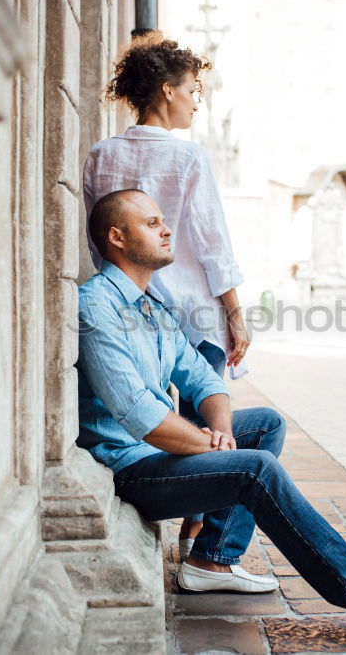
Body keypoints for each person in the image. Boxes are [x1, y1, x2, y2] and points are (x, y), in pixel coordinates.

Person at [76, 189, 346, 653]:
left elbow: (207, 383)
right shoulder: (97, 306)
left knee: (264, 424)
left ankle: (213, 560)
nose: (166, 229)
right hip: (131, 466)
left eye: (163, 220)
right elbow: (142, 417)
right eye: (151, 223)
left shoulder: (151, 307)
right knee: (255, 468)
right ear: (117, 237)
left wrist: (220, 432)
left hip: (160, 451)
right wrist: (216, 448)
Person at [82, 35, 248, 557]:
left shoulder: (100, 155)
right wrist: (236, 315)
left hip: (133, 301)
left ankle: (197, 544)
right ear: (165, 90)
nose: (197, 101)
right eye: (192, 89)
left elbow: (98, 236)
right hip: (194, 315)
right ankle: (204, 549)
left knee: (175, 429)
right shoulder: (190, 157)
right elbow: (212, 241)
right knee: (210, 431)